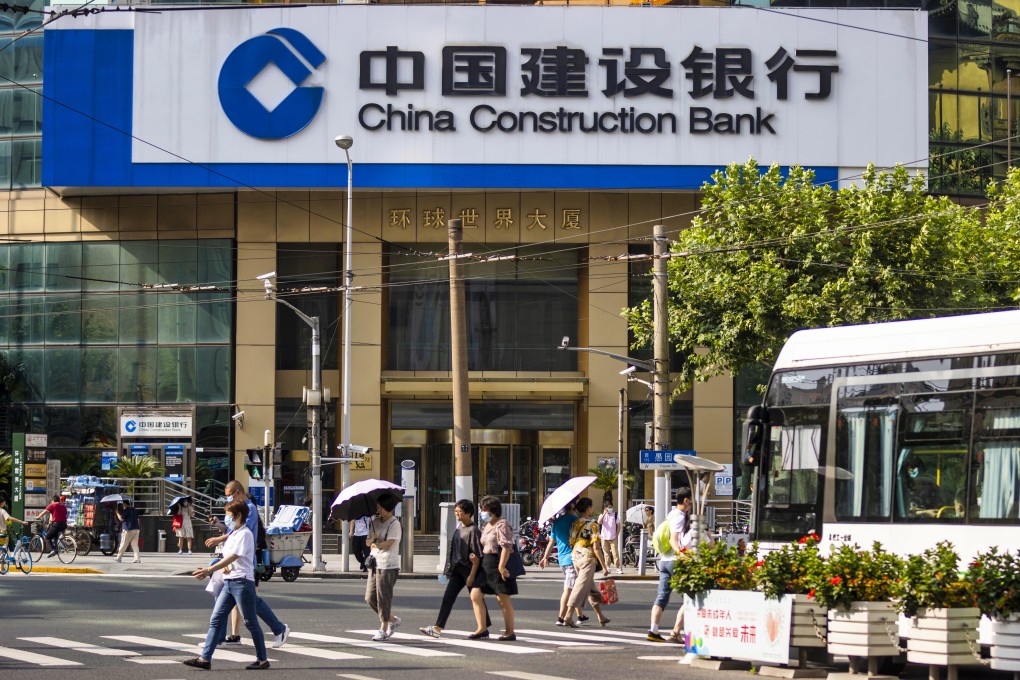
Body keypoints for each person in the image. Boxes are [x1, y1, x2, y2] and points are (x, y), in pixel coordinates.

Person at [186, 499, 271, 670]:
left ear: (239, 515)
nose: (227, 518)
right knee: (216, 619)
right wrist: (219, 569)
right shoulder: (233, 533)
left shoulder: (245, 534)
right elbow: (228, 559)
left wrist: (210, 570)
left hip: (242, 583)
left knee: (250, 621)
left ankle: (262, 659)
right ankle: (205, 659)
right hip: (229, 582)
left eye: (229, 515)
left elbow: (233, 557)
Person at [204, 480, 289, 647]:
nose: (227, 499)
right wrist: (219, 525)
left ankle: (277, 630)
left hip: (242, 565)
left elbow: (241, 532)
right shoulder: (240, 509)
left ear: (237, 493)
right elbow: (232, 530)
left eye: (229, 496)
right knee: (226, 601)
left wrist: (214, 559)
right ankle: (217, 639)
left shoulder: (249, 509)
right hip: (233, 565)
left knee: (250, 603)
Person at [419, 498, 490, 638]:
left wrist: (472, 575)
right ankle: (438, 627)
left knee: (477, 599)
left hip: (470, 570)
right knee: (448, 598)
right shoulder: (459, 527)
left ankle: (483, 628)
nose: (457, 514)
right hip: (458, 569)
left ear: (469, 513)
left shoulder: (473, 530)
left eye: (460, 512)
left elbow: (478, 556)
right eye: (456, 512)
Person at [648, 486, 696, 665]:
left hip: (664, 561)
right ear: (686, 500)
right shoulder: (680, 516)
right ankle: (676, 632)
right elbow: (674, 540)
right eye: (691, 499)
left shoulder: (670, 514)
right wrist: (682, 554)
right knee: (690, 598)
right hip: (676, 560)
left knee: (661, 597)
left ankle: (653, 630)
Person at [468, 495, 518, 641]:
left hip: (497, 561)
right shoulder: (486, 526)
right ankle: (481, 628)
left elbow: (506, 547)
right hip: (486, 563)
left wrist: (502, 566)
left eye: (483, 508)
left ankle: (510, 631)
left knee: (502, 598)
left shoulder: (502, 524)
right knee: (475, 595)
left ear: (492, 509)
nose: (481, 511)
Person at [563, 498, 610, 628]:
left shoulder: (575, 523)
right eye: (591, 506)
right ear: (588, 508)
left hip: (575, 557)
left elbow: (571, 541)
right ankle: (568, 615)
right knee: (580, 587)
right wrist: (604, 566)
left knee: (590, 588)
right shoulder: (593, 525)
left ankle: (601, 616)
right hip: (587, 558)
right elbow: (596, 547)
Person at [539, 500, 584, 626]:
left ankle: (579, 615)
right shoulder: (576, 520)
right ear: (574, 506)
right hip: (573, 558)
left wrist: (545, 557)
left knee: (574, 588)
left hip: (562, 559)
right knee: (569, 589)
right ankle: (561, 617)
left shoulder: (557, 522)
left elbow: (551, 542)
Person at [365, 493, 402, 641]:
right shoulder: (374, 521)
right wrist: (371, 540)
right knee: (370, 598)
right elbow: (367, 542)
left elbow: (390, 543)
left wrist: (377, 544)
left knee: (383, 598)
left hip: (388, 565)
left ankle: (383, 628)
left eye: (380, 507)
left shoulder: (394, 524)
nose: (377, 510)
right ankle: (393, 619)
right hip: (374, 563)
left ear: (387, 507)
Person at [598, 500, 622, 575]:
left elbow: (619, 525)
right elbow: (599, 522)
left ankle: (617, 568)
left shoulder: (615, 515)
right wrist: (604, 514)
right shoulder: (602, 515)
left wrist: (617, 534)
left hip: (613, 537)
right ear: (605, 508)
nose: (610, 508)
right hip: (604, 537)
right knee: (606, 553)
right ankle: (608, 567)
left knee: (615, 553)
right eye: (609, 507)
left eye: (611, 507)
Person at [114, 499, 141, 563]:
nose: (122, 505)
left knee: (123, 544)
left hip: (128, 529)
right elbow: (138, 519)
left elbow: (121, 519)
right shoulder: (134, 509)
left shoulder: (126, 510)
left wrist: (117, 512)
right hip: (136, 529)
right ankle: (137, 558)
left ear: (125, 504)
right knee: (135, 545)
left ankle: (118, 558)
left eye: (123, 504)